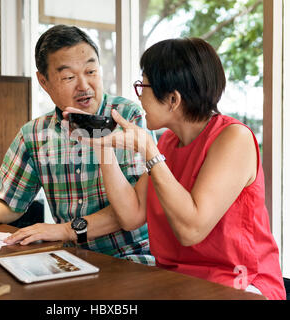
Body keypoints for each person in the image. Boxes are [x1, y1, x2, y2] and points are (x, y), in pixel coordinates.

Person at [0, 25, 156, 266]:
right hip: (70, 260)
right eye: (68, 77)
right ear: (43, 81)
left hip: (132, 258)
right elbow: (8, 202)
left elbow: (136, 208)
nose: (84, 85)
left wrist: (67, 230)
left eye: (91, 71)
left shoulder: (129, 118)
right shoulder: (35, 134)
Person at [82, 37, 286, 299]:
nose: (139, 95)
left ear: (173, 99)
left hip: (239, 285)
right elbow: (132, 214)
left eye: (142, 85)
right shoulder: (168, 141)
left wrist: (149, 151)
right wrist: (104, 148)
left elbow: (192, 230)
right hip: (177, 282)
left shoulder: (234, 138)